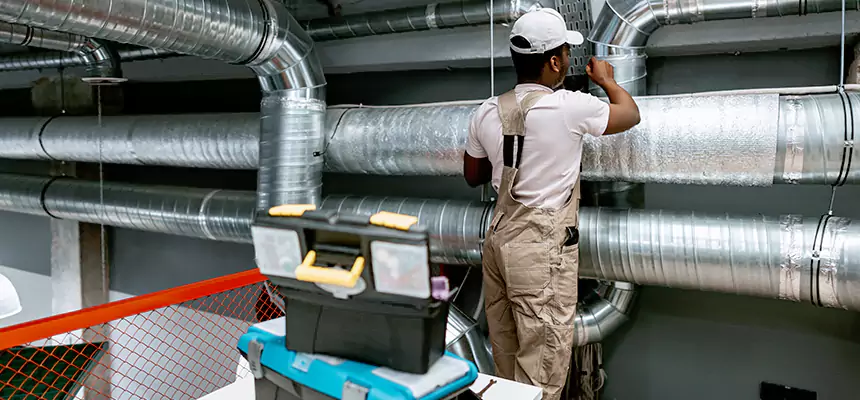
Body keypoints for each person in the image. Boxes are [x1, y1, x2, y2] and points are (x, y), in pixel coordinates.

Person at [462, 7, 640, 400]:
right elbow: (630, 115)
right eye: (565, 52)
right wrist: (607, 80)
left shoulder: (486, 111)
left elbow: (473, 175)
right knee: (540, 376)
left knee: (505, 364)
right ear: (555, 61)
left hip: (499, 241)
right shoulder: (569, 107)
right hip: (540, 253)